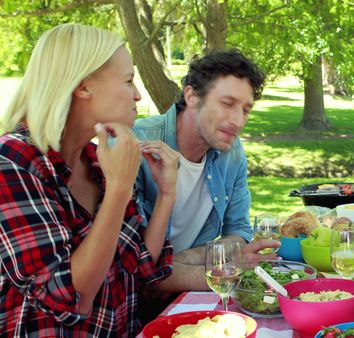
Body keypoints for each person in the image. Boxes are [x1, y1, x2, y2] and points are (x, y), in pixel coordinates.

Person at [0, 24, 178, 336]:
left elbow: (142, 266)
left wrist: (166, 194)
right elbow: (71, 298)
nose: (137, 93)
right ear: (83, 86)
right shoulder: (13, 163)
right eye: (127, 80)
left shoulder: (97, 161)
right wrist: (119, 190)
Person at [134, 49, 279, 293]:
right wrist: (226, 266)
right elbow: (137, 268)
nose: (238, 121)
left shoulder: (231, 152)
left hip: (186, 294)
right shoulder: (137, 145)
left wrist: (188, 259)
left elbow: (238, 231)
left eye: (245, 109)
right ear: (191, 95)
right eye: (227, 103)